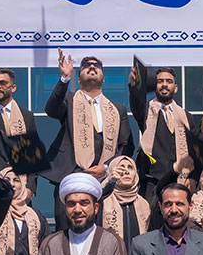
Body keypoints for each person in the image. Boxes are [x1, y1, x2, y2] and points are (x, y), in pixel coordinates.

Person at [45, 51, 135, 185]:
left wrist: (106, 167)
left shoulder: (117, 109)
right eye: (86, 66)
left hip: (105, 177)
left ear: (103, 79)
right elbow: (51, 110)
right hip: (71, 174)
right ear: (79, 79)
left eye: (97, 66)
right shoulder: (69, 100)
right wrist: (65, 78)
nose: (92, 67)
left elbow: (127, 145)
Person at [130, 65, 198, 191]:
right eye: (160, 81)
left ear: (175, 88)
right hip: (151, 182)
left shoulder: (186, 116)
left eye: (169, 81)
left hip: (179, 181)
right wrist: (135, 86)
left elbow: (195, 151)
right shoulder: (146, 110)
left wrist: (194, 178)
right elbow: (136, 102)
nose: (164, 85)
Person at [100, 155, 156, 243]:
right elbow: (93, 201)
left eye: (130, 167)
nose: (126, 172)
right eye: (121, 168)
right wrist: (109, 181)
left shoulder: (144, 204)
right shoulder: (103, 200)